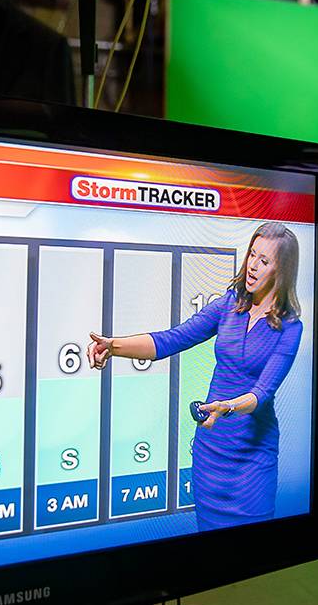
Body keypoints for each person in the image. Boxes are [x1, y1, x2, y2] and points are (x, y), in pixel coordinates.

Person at [86, 223, 304, 531]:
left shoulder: (290, 328)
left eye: (264, 261)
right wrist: (113, 345)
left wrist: (225, 407)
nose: (253, 266)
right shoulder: (230, 305)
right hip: (211, 452)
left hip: (252, 460)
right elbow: (171, 340)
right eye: (252, 255)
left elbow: (262, 393)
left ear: (282, 271)